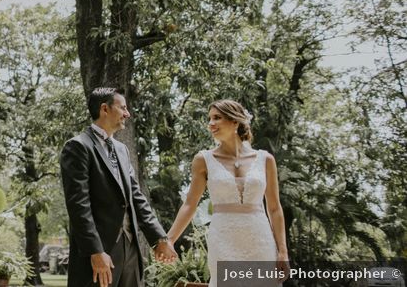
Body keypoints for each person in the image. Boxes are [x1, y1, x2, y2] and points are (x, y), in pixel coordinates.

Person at [165, 99, 290, 286]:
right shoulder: (203, 160)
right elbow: (190, 204)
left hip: (260, 240)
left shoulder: (266, 159)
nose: (211, 123)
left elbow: (274, 208)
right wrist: (169, 240)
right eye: (209, 119)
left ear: (235, 121)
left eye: (217, 118)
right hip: (223, 240)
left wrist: (283, 251)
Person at [61, 87, 177, 287]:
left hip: (130, 247)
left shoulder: (122, 150)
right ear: (104, 109)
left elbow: (136, 196)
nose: (127, 113)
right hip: (99, 252)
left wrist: (159, 238)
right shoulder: (78, 147)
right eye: (122, 107)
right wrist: (95, 251)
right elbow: (79, 206)